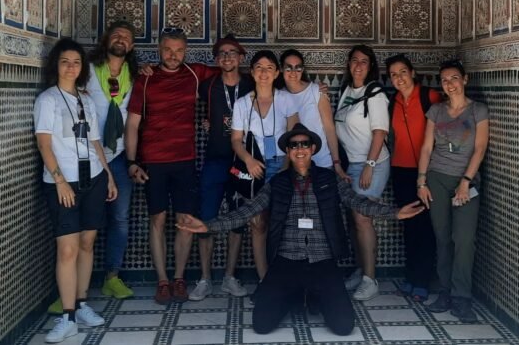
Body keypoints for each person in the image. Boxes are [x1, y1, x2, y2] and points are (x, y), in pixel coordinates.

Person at [176, 123, 424, 336]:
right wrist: (207, 225)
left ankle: (311, 294)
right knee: (262, 325)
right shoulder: (278, 183)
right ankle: (297, 294)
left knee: (343, 326)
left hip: (322, 260)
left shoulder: (329, 179)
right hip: (286, 261)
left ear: (313, 148)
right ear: (288, 151)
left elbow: (357, 202)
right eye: (294, 145)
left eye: (305, 144)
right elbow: (247, 211)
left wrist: (395, 213)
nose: (300, 149)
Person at [48, 21, 139, 315]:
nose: (121, 40)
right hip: (85, 160)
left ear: (132, 46)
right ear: (106, 40)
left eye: (126, 37)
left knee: (119, 220)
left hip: (117, 156)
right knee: (75, 231)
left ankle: (111, 277)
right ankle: (68, 293)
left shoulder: (135, 75)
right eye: (116, 35)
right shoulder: (86, 71)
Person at [125, 27, 217, 305]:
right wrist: (132, 162)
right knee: (158, 220)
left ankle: (179, 278)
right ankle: (162, 281)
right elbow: (132, 124)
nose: (173, 55)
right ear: (159, 49)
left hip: (185, 160)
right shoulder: (145, 79)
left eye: (178, 50)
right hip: (153, 161)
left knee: (185, 221)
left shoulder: (195, 74)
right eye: (168, 50)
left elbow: (230, 74)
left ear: (185, 51)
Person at [34, 38, 118, 343]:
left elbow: (95, 141)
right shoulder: (48, 100)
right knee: (67, 249)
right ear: (56, 65)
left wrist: (108, 175)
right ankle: (67, 316)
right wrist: (59, 181)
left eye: (76, 62)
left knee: (86, 243)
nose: (71, 67)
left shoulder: (85, 99)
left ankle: (81, 304)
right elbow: (44, 144)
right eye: (65, 62)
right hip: (63, 183)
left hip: (93, 178)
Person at [417, 59, 489, 323]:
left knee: (464, 239)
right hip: (437, 179)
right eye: (445, 80)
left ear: (465, 79)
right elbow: (427, 148)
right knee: (443, 237)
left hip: (465, 182)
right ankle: (445, 292)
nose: (450, 84)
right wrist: (421, 182)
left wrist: (466, 181)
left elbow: (480, 148)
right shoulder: (436, 111)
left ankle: (462, 297)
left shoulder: (478, 110)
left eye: (454, 78)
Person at [190, 34, 254, 301]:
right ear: (216, 59)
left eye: (232, 53)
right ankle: (205, 279)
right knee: (207, 218)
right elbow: (180, 77)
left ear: (241, 57)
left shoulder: (252, 83)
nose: (227, 57)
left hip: (243, 160)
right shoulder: (208, 85)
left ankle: (229, 277)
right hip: (215, 159)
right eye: (222, 53)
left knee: (238, 219)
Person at [231, 50, 298, 284]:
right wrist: (248, 160)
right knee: (258, 224)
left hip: (282, 165)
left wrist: (286, 167)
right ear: (252, 72)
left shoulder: (286, 99)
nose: (264, 72)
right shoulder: (242, 103)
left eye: (269, 68)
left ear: (277, 73)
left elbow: (294, 136)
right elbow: (236, 140)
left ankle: (284, 276)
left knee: (282, 222)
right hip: (255, 167)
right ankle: (265, 280)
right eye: (259, 67)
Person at [335, 44, 390, 301]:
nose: (358, 65)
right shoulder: (347, 90)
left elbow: (380, 132)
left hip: (372, 164)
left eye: (364, 61)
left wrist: (369, 165)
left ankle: (370, 279)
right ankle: (360, 270)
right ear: (349, 64)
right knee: (354, 219)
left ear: (371, 67)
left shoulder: (375, 93)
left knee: (363, 219)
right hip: (351, 165)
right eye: (354, 60)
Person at [386, 54, 442, 302]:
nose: (399, 78)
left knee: (425, 227)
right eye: (393, 74)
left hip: (426, 171)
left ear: (412, 73)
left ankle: (422, 281)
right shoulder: (393, 101)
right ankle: (411, 277)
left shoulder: (430, 97)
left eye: (403, 72)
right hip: (400, 170)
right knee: (409, 225)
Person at [278, 49, 346, 178]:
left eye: (298, 68)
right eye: (288, 68)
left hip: (321, 162)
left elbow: (329, 128)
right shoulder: (279, 95)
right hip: (294, 165)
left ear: (303, 69)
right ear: (281, 69)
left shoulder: (316, 91)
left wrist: (336, 162)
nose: (293, 72)